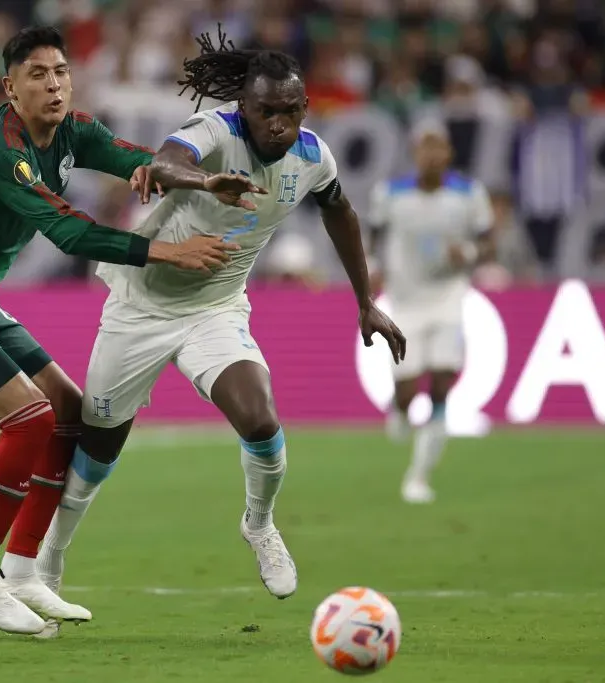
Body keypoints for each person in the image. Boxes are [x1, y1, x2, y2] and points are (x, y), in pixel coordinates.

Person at [0, 26, 235, 636]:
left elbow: (135, 161)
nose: (53, 83)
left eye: (61, 72)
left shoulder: (72, 132)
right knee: (30, 418)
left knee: (68, 408)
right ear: (9, 88)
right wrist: (171, 254)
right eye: (38, 74)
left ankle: (20, 570)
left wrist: (202, 181)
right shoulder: (1, 148)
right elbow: (68, 231)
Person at [35, 27, 406, 608]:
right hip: (140, 307)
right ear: (244, 109)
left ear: (304, 108)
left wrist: (365, 301)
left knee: (259, 419)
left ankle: (259, 524)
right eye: (265, 112)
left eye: (289, 111)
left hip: (215, 307)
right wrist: (207, 179)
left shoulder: (313, 156)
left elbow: (341, 211)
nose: (278, 124)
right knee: (100, 445)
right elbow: (162, 164)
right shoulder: (215, 131)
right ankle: (51, 557)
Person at [368, 120, 494, 504]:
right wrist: (373, 268)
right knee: (408, 389)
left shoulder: (469, 194)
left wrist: (470, 254)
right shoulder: (390, 194)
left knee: (441, 383)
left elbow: (489, 242)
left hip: (448, 297)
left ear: (449, 154)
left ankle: (419, 476)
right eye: (425, 146)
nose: (432, 154)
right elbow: (375, 237)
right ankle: (400, 406)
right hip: (405, 301)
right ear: (414, 152)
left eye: (438, 146)